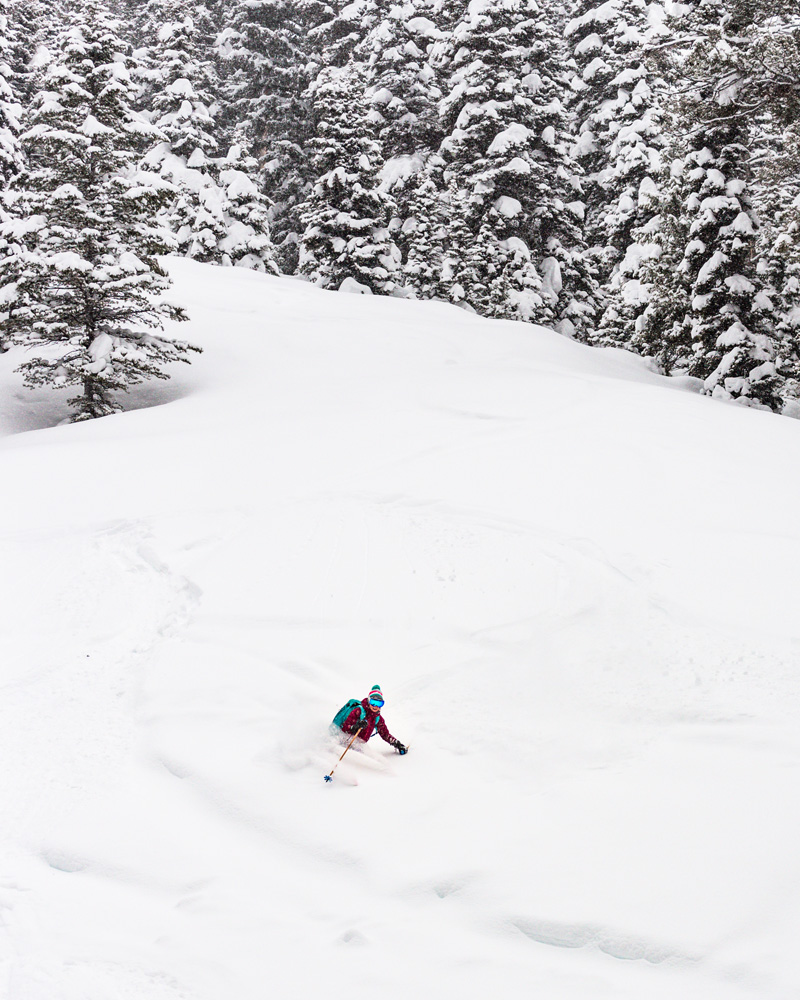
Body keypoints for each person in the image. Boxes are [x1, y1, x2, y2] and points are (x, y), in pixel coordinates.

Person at [337, 685, 408, 754]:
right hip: (344, 743)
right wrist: (355, 727)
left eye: (379, 703)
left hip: (359, 747)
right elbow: (345, 727)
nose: (375, 706)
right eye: (373, 702)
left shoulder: (378, 718)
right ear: (368, 701)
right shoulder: (358, 711)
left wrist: (397, 744)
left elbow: (385, 734)